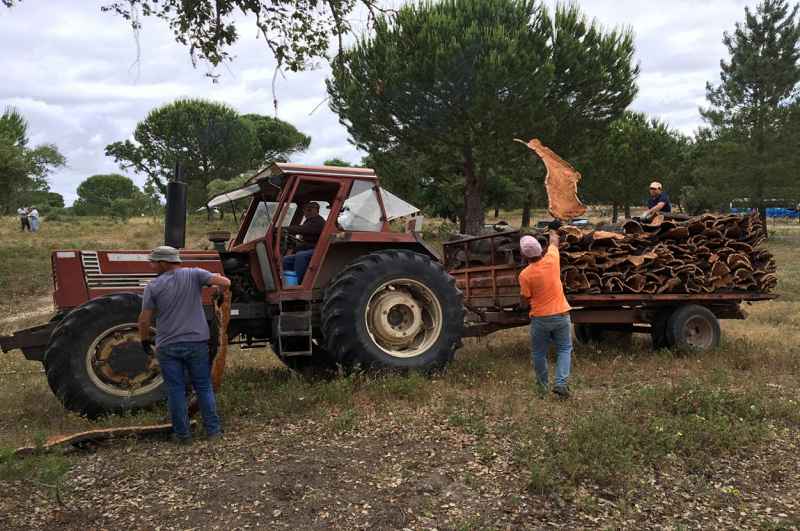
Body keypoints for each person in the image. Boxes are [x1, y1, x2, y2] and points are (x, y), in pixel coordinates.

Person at [137, 246, 231, 445]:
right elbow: (225, 282)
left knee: (176, 391)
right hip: (195, 343)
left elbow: (144, 320)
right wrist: (219, 294)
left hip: (167, 346)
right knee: (203, 387)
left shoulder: (153, 286)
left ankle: (183, 436)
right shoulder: (195, 274)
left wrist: (145, 341)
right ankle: (213, 431)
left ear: (164, 262)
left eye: (153, 262)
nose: (151, 265)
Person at [518, 220, 573, 398]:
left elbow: (525, 301)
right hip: (561, 314)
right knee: (564, 350)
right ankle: (561, 383)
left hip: (540, 318)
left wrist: (522, 303)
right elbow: (554, 242)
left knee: (539, 353)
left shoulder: (525, 275)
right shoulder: (552, 260)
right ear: (541, 250)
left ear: (523, 254)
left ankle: (542, 386)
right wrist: (552, 229)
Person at [281, 202, 325, 283]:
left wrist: (281, 229)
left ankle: (298, 282)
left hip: (317, 249)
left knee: (301, 255)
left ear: (317, 211)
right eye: (304, 210)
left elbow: (300, 229)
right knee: (286, 259)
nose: (306, 212)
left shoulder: (318, 222)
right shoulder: (309, 221)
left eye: (309, 210)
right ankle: (285, 281)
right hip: (309, 248)